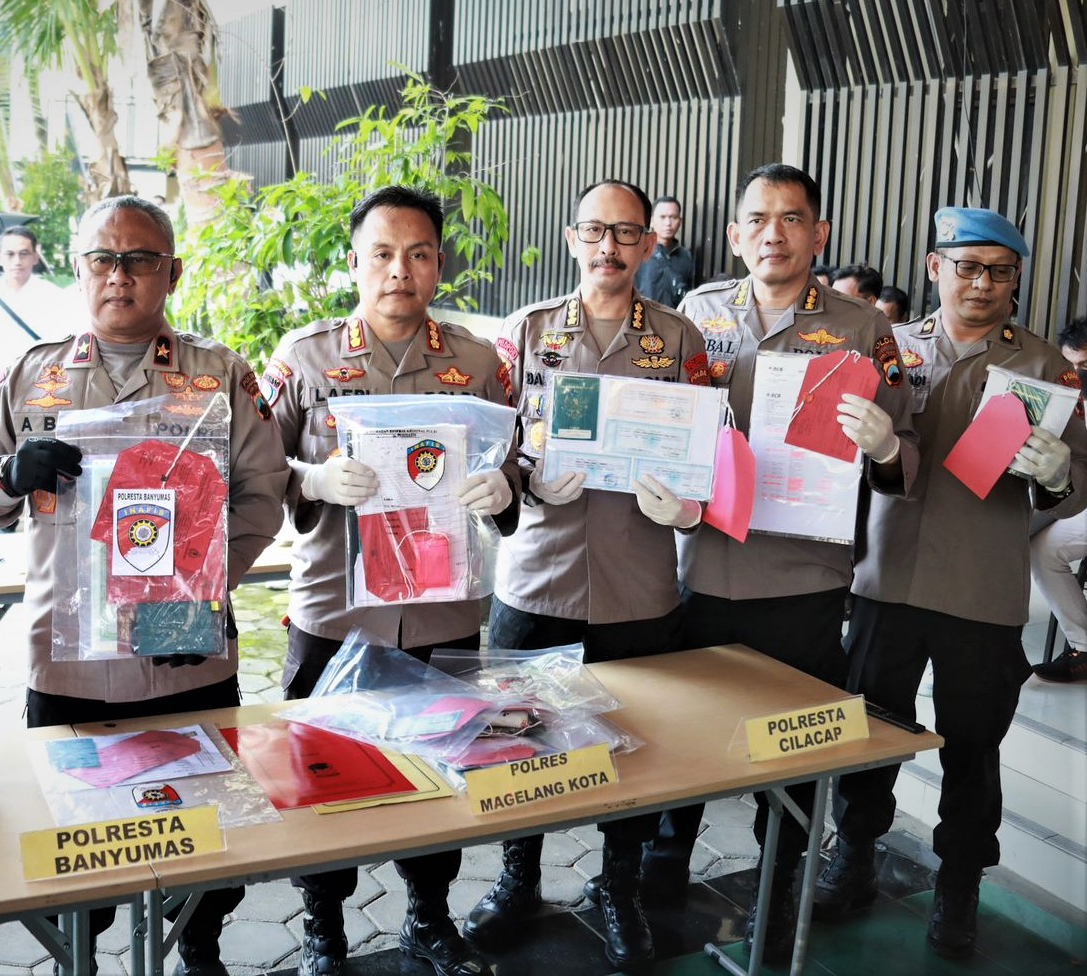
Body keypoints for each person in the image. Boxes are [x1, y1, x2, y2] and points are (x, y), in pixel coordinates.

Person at [0, 195, 288, 976]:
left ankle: (199, 947)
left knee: (210, 838)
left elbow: (264, 497)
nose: (120, 275)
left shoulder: (219, 375)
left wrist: (195, 594)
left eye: (140, 259)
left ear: (172, 272)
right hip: (70, 668)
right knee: (78, 842)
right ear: (80, 269)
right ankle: (83, 957)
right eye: (104, 258)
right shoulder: (32, 377)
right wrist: (7, 474)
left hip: (186, 655)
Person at [661, 163, 917, 957]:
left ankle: (780, 892)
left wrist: (883, 447)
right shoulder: (694, 317)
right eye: (759, 218)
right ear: (736, 233)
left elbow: (905, 452)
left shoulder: (863, 329)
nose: (774, 232)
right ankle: (660, 883)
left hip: (804, 581)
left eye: (793, 218)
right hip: (700, 569)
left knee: (795, 746)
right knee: (686, 740)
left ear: (820, 234)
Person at [818, 208, 1087, 957]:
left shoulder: (1045, 368)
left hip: (981, 590)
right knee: (870, 735)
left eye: (1000, 271)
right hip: (884, 579)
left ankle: (960, 885)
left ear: (1016, 281)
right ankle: (854, 858)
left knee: (973, 747)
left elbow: (1080, 481)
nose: (983, 283)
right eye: (967, 266)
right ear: (935, 267)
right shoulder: (886, 349)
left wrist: (1061, 476)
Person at [263, 186, 516, 976]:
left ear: (439, 265)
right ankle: (323, 925)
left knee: (440, 769)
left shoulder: (475, 363)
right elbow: (258, 472)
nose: (398, 270)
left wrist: (505, 485)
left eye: (417, 253)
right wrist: (311, 479)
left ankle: (429, 915)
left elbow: (511, 458)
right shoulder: (304, 359)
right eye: (382, 253)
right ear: (354, 262)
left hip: (440, 613)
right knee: (324, 773)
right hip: (336, 612)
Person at [465, 180, 711, 972]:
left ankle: (619, 886)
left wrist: (688, 510)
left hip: (639, 585)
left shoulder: (678, 340)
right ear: (574, 238)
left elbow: (709, 457)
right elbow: (488, 458)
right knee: (518, 741)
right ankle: (518, 877)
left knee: (638, 745)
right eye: (597, 232)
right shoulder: (526, 333)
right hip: (536, 576)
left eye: (627, 234)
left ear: (648, 245)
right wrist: (516, 486)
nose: (610, 248)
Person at [1027, 315, 1087, 683]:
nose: (1078, 375)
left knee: (1016, 533)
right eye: (1072, 366)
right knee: (1026, 537)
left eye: (1086, 366)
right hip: (1072, 496)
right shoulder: (1063, 394)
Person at [0, 224, 75, 392]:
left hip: (40, 388)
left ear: (35, 257)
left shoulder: (54, 296)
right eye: (10, 254)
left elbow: (64, 347)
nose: (17, 261)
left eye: (23, 254)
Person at [636, 195, 695, 308]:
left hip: (674, 322)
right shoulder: (639, 252)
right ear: (651, 221)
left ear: (680, 221)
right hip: (643, 320)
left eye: (673, 217)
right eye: (662, 217)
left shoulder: (686, 256)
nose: (668, 223)